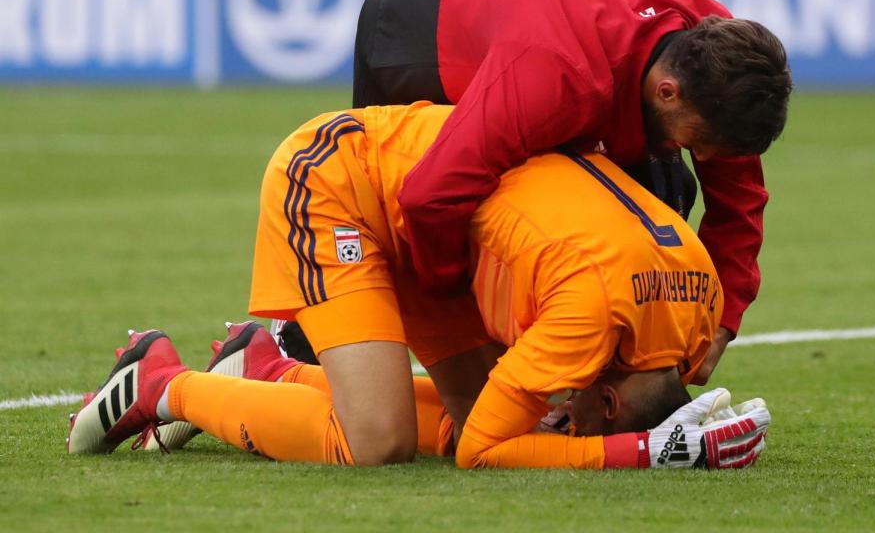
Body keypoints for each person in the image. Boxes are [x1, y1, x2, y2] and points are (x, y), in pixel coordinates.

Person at [68, 103, 770, 469]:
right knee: (376, 444)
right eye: (588, 413)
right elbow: (482, 457)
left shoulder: (692, 306)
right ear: (611, 396)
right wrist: (643, 451)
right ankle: (162, 382)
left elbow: (508, 427)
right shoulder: (589, 315)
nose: (570, 415)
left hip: (440, 228)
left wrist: (648, 435)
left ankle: (268, 370)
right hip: (345, 183)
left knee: (504, 420)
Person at [346, 0, 793, 382]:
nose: (707, 158)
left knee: (665, 192)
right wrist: (463, 310)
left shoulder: (726, 65)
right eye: (700, 141)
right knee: (401, 213)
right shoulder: (557, 76)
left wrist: (721, 320)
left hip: (533, 14)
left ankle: (596, 370)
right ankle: (303, 341)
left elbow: (738, 204)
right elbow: (430, 197)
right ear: (668, 92)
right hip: (416, 31)